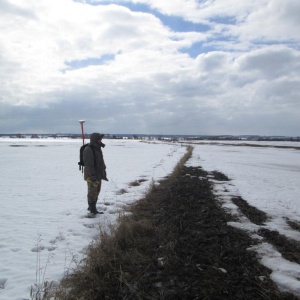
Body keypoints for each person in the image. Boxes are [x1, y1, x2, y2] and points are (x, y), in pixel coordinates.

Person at [83, 132, 108, 214]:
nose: (101, 141)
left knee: (97, 191)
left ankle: (91, 207)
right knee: (92, 192)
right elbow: (89, 165)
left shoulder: (97, 148)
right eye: (99, 139)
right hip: (92, 176)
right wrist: (92, 176)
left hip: (98, 174)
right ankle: (92, 210)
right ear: (95, 140)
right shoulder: (89, 149)